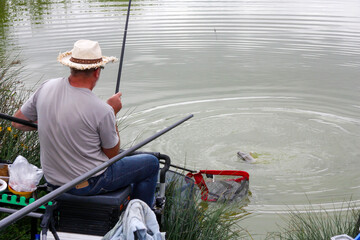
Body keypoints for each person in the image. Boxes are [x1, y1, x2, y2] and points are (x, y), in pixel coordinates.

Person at [12, 39, 159, 207]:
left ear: (71, 66)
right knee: (151, 163)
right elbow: (112, 154)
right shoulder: (102, 110)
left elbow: (18, 123)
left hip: (53, 181)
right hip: (88, 184)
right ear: (97, 72)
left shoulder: (46, 87)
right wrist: (112, 112)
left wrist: (53, 120)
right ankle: (140, 216)